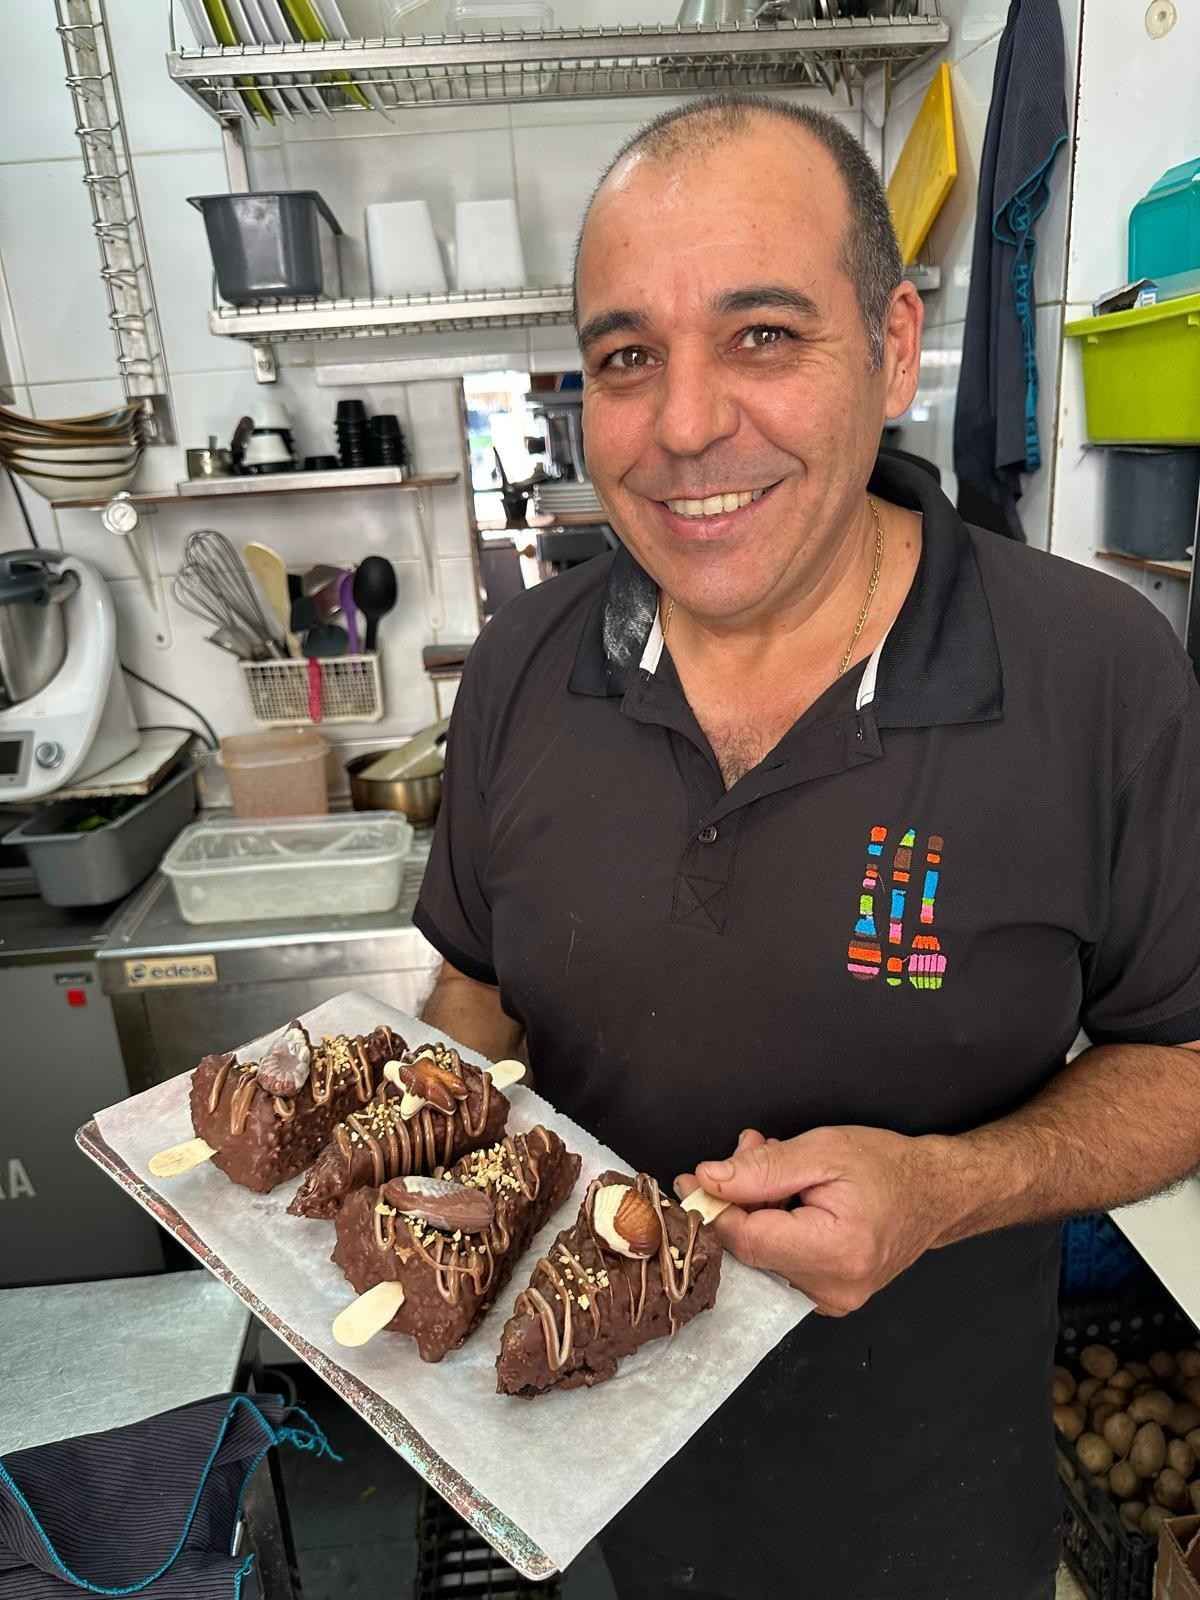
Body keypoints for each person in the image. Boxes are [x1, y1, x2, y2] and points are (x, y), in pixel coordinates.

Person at [414, 94, 1200, 1599]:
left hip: (926, 1521)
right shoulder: (523, 665)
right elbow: (478, 994)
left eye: (763, 335)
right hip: (575, 1482)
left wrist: (950, 1188)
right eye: (626, 356)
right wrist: (413, 1155)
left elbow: (1184, 1058)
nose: (684, 425)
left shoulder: (1097, 675)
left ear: (894, 349)